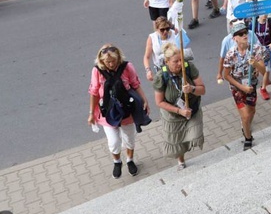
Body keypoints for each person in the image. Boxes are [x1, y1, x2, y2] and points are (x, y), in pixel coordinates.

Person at [88, 44, 149, 178]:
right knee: (114, 141)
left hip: (126, 109)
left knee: (129, 138)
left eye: (113, 61)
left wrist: (145, 100)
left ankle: (130, 160)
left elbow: (136, 84)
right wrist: (91, 113)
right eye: (107, 62)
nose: (110, 64)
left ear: (118, 58)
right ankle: (117, 161)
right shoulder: (97, 71)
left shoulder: (127, 67)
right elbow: (94, 92)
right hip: (108, 112)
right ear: (101, 60)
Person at [152, 42, 205, 170]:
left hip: (192, 109)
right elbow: (159, 102)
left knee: (195, 135)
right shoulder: (161, 76)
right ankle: (181, 160)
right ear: (167, 61)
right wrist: (179, 111)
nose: (180, 64)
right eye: (176, 61)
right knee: (176, 142)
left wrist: (192, 89)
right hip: (172, 114)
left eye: (181, 60)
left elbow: (202, 90)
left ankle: (187, 145)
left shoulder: (189, 68)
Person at [223, 21, 267, 150]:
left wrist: (255, 64)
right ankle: (248, 137)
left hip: (251, 85)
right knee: (245, 115)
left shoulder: (256, 49)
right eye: (240, 34)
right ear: (234, 38)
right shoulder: (231, 54)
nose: (244, 35)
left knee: (251, 111)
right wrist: (242, 88)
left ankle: (245, 125)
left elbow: (264, 72)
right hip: (237, 87)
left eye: (245, 32)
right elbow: (226, 75)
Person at [143, 17, 191, 82]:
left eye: (167, 29)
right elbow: (147, 57)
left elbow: (182, 49)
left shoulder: (175, 34)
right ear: (157, 29)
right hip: (161, 69)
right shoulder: (152, 38)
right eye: (162, 29)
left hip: (176, 67)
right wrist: (148, 70)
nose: (165, 31)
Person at [250, 14, 271, 101]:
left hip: (268, 49)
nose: (265, 15)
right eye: (263, 13)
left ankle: (263, 88)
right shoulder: (253, 24)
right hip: (257, 50)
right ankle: (263, 82)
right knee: (258, 69)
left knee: (267, 69)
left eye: (266, 13)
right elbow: (249, 36)